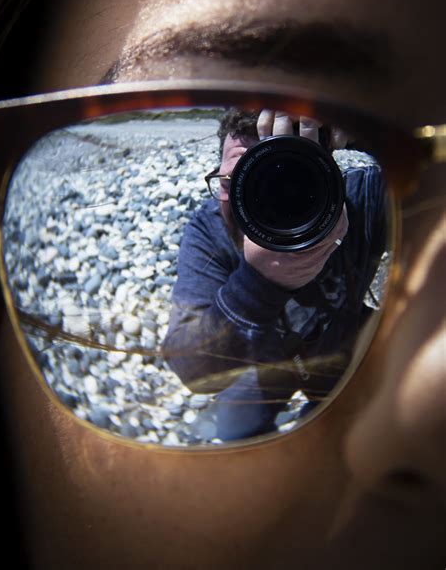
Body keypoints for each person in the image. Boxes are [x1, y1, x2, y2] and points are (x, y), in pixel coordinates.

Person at [0, 0, 445, 568]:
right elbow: (189, 360)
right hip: (265, 366)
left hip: (323, 356)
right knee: (236, 413)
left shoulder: (367, 198)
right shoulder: (207, 230)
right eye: (259, 173)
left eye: (301, 174)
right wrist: (263, 278)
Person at [164, 107, 386, 440]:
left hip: (345, 348)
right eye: (236, 181)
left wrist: (367, 132)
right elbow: (190, 368)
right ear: (219, 174)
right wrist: (258, 283)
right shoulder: (209, 231)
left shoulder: (358, 201)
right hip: (261, 363)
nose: (258, 201)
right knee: (238, 434)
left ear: (328, 172)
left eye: (289, 180)